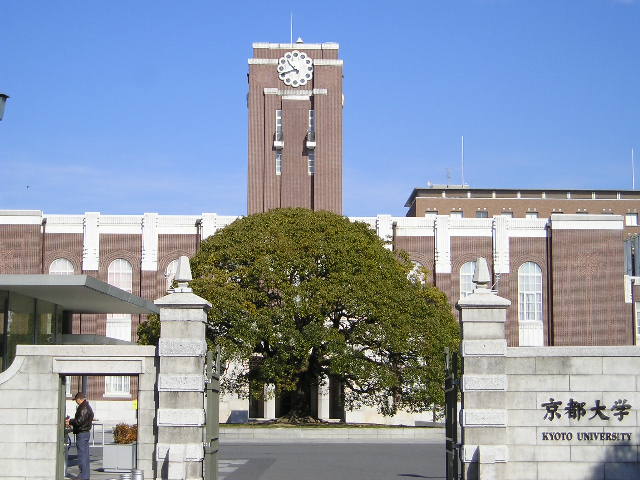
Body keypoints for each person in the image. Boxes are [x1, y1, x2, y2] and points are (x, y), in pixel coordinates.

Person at [67, 392, 94, 480]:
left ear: (79, 399)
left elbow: (79, 421)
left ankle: (83, 476)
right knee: (85, 455)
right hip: (85, 433)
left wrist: (70, 421)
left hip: (82, 433)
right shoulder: (87, 406)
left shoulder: (83, 407)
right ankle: (85, 476)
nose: (76, 402)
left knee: (82, 455)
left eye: (76, 400)